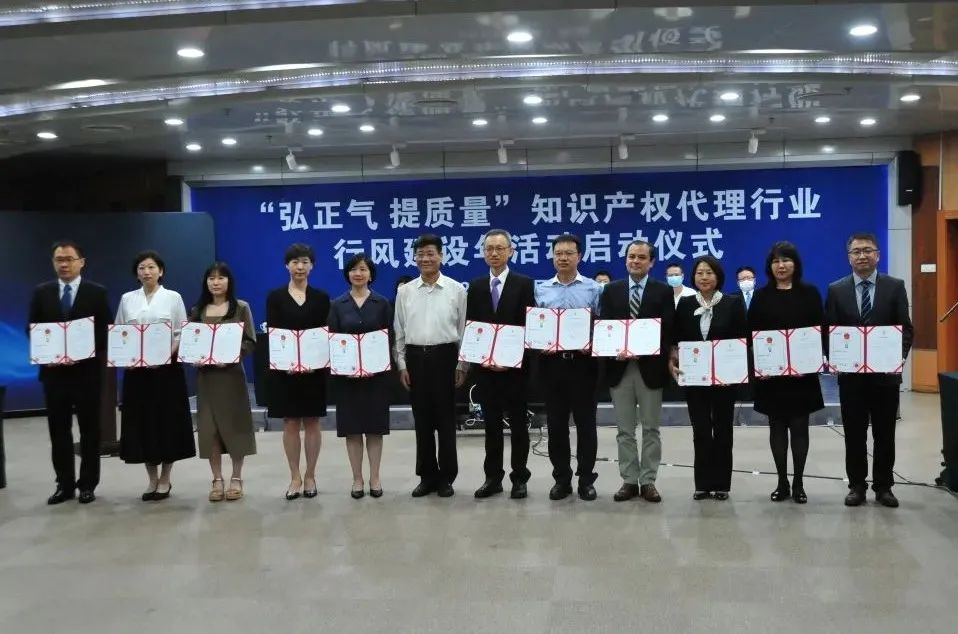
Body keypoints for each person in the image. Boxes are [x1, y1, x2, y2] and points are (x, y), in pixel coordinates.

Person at [825, 232, 913, 508]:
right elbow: (830, 331)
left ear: (878, 255)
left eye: (867, 250)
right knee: (854, 434)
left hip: (885, 377)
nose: (862, 256)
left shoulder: (895, 286)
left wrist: (897, 359)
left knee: (885, 434)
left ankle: (884, 487)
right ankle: (857, 486)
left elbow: (905, 329)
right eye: (856, 252)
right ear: (848, 257)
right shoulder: (836, 289)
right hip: (851, 378)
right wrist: (834, 358)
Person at [27, 240, 111, 505]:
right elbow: (32, 328)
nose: (64, 264)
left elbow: (105, 330)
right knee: (58, 431)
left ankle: (87, 484)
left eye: (69, 259)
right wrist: (47, 354)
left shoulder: (96, 292)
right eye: (59, 260)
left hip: (86, 373)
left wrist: (83, 350)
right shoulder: (41, 292)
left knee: (90, 430)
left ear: (81, 262)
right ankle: (64, 485)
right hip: (54, 375)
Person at [116, 250, 196, 501]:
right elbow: (120, 333)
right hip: (137, 374)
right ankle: (151, 478)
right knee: (143, 425)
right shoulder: (127, 299)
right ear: (136, 273)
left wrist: (164, 355)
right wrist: (127, 359)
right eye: (141, 268)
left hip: (166, 372)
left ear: (160, 271)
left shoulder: (173, 298)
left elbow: (181, 332)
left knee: (167, 423)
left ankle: (165, 478)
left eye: (151, 267)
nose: (146, 272)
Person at [748, 242, 824, 504]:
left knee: (800, 428)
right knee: (777, 428)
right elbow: (752, 334)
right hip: (772, 377)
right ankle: (782, 482)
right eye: (775, 261)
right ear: (769, 266)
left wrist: (810, 362)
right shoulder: (761, 296)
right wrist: (760, 366)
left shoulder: (810, 293)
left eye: (786, 260)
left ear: (795, 264)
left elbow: (820, 331)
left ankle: (799, 483)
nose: (781, 265)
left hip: (802, 377)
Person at [599, 240, 674, 503]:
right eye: (631, 256)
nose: (635, 261)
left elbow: (668, 329)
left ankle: (649, 481)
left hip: (650, 368)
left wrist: (647, 348)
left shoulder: (663, 291)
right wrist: (613, 349)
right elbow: (605, 326)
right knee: (625, 429)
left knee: (651, 428)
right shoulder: (611, 290)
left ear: (651, 262)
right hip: (620, 367)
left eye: (642, 257)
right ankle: (629, 480)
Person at [394, 234, 467, 498]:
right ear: (415, 258)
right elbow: (399, 330)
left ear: (441, 256)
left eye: (430, 253)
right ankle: (427, 476)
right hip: (416, 358)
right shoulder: (405, 291)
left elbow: (463, 329)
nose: (425, 259)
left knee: (446, 421)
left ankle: (446, 477)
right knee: (422, 421)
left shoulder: (456, 290)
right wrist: (402, 364)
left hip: (445, 357)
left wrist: (462, 364)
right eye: (420, 254)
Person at [669, 255, 747, 501]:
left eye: (709, 272)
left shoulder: (732, 303)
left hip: (725, 381)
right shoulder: (685, 304)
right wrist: (673, 357)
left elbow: (742, 341)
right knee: (701, 431)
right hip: (695, 379)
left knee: (723, 431)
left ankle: (722, 484)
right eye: (700, 273)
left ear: (718, 276)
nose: (704, 277)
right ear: (693, 277)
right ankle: (702, 484)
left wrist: (734, 371)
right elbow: (676, 339)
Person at [466, 229, 536, 500]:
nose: (494, 253)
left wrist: (511, 360)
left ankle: (520, 478)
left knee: (518, 425)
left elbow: (530, 327)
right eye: (489, 249)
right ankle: (492, 478)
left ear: (511, 252)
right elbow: (473, 326)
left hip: (515, 370)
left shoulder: (524, 284)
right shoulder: (476, 286)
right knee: (491, 426)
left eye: (499, 248)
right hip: (485, 370)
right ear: (484, 253)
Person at [535, 234, 603, 501]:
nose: (563, 258)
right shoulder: (541, 289)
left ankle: (586, 479)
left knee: (586, 424)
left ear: (579, 256)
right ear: (552, 256)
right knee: (556, 425)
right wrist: (538, 342)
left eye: (569, 253)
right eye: (558, 253)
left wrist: (592, 343)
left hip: (583, 365)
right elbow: (535, 325)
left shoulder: (594, 289)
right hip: (552, 365)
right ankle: (561, 479)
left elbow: (602, 325)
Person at [266, 243, 331, 500]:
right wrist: (288, 363)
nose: (300, 267)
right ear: (287, 266)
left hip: (314, 371)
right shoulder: (275, 297)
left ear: (312, 265)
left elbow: (325, 334)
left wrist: (316, 361)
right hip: (286, 372)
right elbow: (274, 334)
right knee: (291, 422)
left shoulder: (321, 298)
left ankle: (311, 475)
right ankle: (295, 476)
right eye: (295, 262)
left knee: (313, 421)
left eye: (305, 262)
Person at [189, 262, 257, 502]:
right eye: (211, 278)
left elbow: (250, 341)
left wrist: (231, 356)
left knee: (235, 427)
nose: (216, 282)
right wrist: (194, 357)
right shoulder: (197, 310)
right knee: (210, 430)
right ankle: (216, 479)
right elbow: (191, 342)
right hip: (206, 379)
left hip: (231, 377)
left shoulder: (241, 308)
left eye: (221, 278)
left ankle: (236, 477)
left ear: (229, 282)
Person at [328, 253, 393, 500]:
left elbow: (389, 337)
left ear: (370, 274)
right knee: (352, 430)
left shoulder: (382, 303)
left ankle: (375, 477)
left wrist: (378, 365)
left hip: (376, 377)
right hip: (347, 379)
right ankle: (357, 478)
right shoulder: (337, 304)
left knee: (374, 429)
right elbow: (332, 339)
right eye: (354, 269)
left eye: (363, 269)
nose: (358, 273)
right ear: (348, 274)